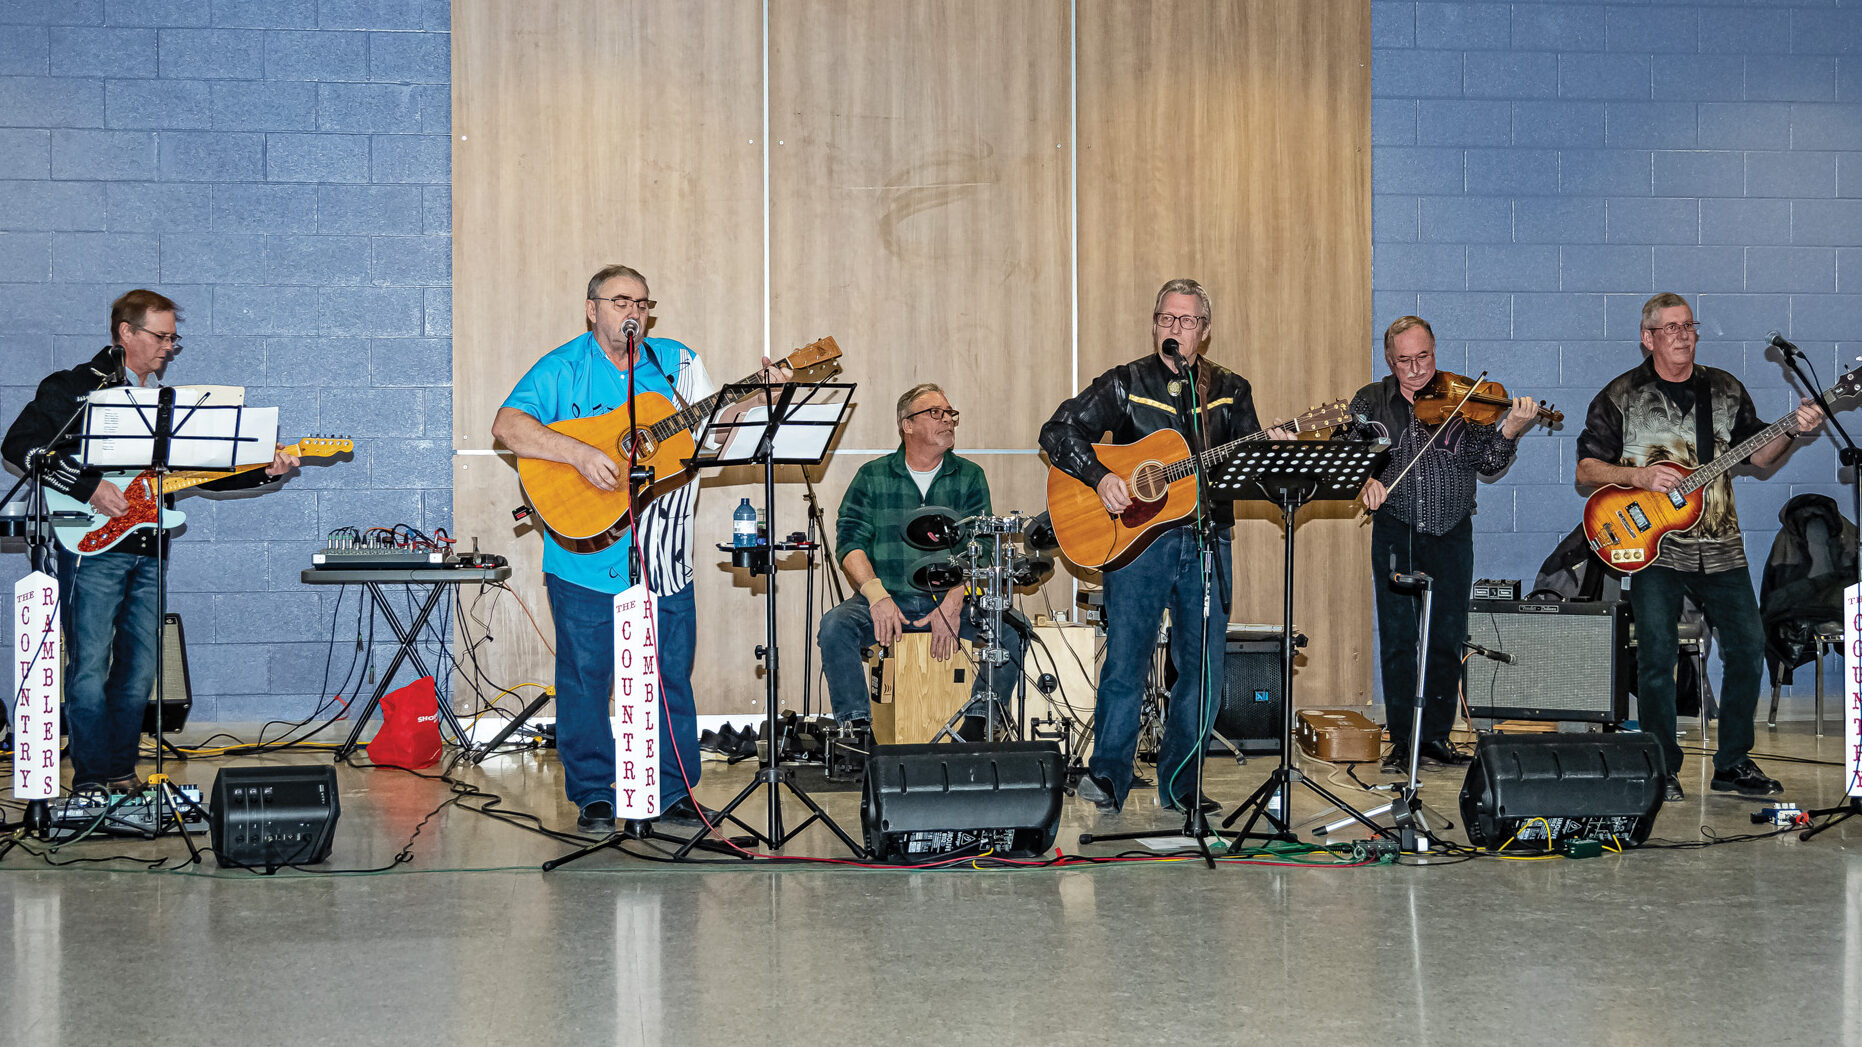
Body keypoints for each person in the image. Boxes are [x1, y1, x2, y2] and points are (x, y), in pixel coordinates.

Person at [493, 264, 781, 835]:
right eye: (621, 301)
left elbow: (711, 440)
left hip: (665, 553)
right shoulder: (562, 367)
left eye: (643, 303)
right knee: (585, 677)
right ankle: (595, 793)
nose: (634, 312)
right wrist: (576, 454)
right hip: (583, 554)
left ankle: (675, 791)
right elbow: (507, 425)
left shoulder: (676, 364)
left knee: (669, 674)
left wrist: (749, 404)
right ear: (592, 308)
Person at [3, 289, 298, 794]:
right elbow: (19, 445)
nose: (169, 348)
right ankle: (94, 780)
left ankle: (121, 774)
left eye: (173, 339)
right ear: (126, 333)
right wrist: (89, 486)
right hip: (88, 547)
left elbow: (201, 475)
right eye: (161, 337)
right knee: (90, 665)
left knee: (140, 670)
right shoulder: (73, 388)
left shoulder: (168, 409)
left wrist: (263, 471)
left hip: (148, 549)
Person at [1576, 292, 1822, 802]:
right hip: (1655, 548)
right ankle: (1660, 765)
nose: (1683, 334)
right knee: (1657, 657)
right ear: (1648, 338)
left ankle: (1733, 762)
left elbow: (1761, 457)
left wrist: (1795, 431)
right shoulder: (1620, 395)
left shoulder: (1725, 389)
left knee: (1749, 646)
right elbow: (1586, 470)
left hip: (1721, 542)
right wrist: (1639, 474)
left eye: (1689, 325)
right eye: (1670, 327)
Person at [1040, 278, 1270, 815]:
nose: (1175, 330)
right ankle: (1109, 776)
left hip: (1208, 542)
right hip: (1138, 545)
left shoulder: (1231, 389)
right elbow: (1058, 431)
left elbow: (1249, 470)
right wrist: (1100, 477)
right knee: (1126, 661)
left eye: (1187, 322)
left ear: (1204, 333)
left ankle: (1180, 784)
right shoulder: (1126, 382)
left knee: (1203, 668)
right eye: (1167, 319)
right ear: (1154, 324)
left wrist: (1269, 454)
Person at [1351, 316, 1540, 775]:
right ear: (1389, 360)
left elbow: (1489, 463)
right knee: (1399, 639)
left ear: (1435, 351)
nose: (1416, 370)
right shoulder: (1370, 402)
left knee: (1445, 638)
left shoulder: (1464, 401)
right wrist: (1366, 481)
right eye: (1404, 361)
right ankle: (1403, 740)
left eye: (1424, 357)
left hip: (1452, 531)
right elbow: (1351, 455)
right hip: (1396, 529)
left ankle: (1434, 737)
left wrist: (1511, 428)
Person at [815, 384, 1026, 767]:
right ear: (906, 425)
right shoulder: (872, 476)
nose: (947, 420)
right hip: (886, 597)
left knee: (1014, 630)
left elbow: (981, 547)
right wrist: (876, 595)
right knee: (834, 626)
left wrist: (954, 599)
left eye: (950, 413)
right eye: (935, 413)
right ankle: (858, 733)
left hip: (950, 599)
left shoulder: (970, 476)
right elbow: (849, 541)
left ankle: (976, 728)